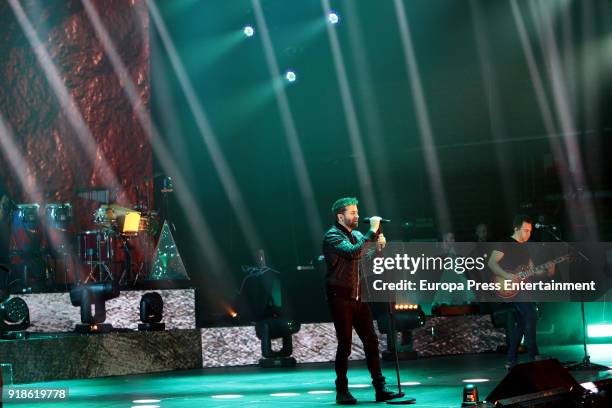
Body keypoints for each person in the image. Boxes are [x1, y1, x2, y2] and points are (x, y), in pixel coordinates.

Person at [322, 197, 402, 405]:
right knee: (345, 345)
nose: (357, 216)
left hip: (359, 296)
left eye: (357, 212)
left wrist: (378, 248)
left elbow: (365, 259)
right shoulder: (332, 236)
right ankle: (342, 391)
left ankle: (380, 388)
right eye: (352, 213)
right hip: (340, 297)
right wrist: (372, 232)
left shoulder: (357, 234)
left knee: (371, 341)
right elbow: (352, 252)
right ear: (341, 216)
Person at [487, 215, 551, 369]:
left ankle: (511, 359)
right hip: (508, 286)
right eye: (525, 230)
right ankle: (534, 354)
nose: (528, 234)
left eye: (530, 231)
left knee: (522, 323)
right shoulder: (506, 243)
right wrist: (508, 276)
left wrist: (546, 269)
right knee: (531, 315)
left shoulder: (525, 248)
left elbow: (531, 270)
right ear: (516, 229)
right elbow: (491, 263)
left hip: (522, 289)